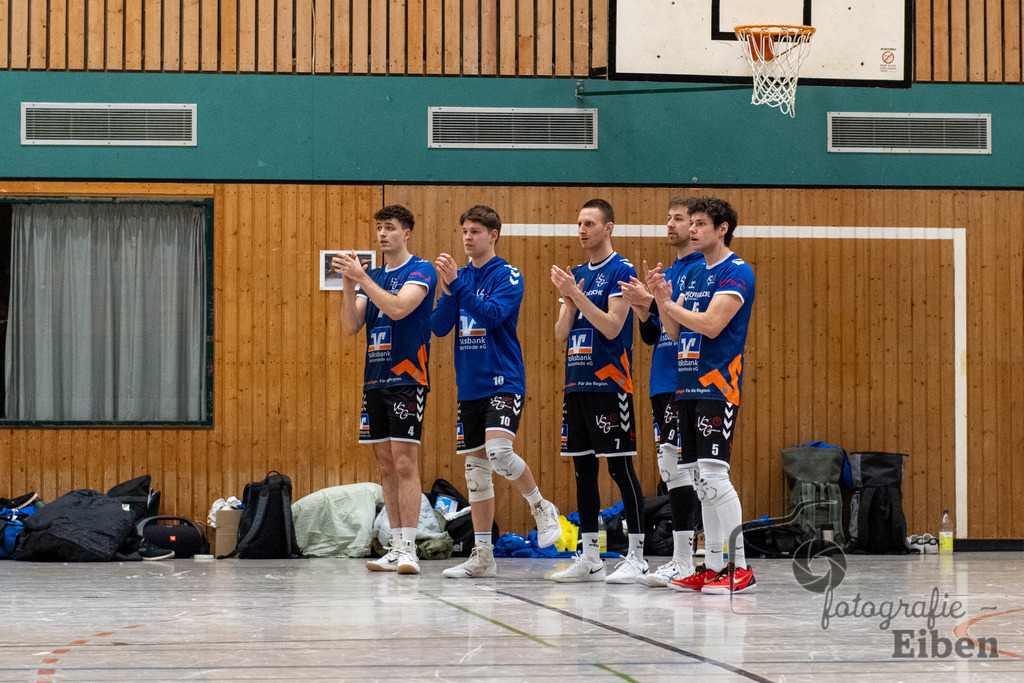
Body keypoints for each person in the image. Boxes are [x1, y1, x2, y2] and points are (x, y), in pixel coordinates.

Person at [431, 205, 562, 578]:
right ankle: (483, 554)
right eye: (464, 231)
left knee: (500, 452)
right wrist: (448, 291)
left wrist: (458, 287)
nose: (468, 237)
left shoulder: (508, 275)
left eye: (475, 231)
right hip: (469, 385)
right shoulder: (458, 278)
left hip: (503, 380)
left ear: (493, 235)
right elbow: (439, 328)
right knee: (476, 473)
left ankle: (540, 508)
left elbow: (490, 315)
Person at [648, 196, 757, 594]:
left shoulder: (736, 271)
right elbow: (675, 334)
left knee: (714, 476)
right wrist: (661, 299)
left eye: (698, 223)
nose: (691, 229)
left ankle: (740, 566)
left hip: (717, 387)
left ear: (721, 228)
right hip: (685, 386)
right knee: (697, 479)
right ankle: (712, 566)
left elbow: (711, 325)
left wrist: (667, 303)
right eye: (688, 223)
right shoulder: (692, 275)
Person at [549, 198, 647, 584]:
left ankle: (637, 555)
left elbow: (610, 326)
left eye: (589, 223)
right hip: (576, 383)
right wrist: (569, 295)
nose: (582, 230)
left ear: (608, 228)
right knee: (582, 470)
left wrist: (576, 294)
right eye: (578, 223)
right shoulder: (574, 274)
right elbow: (560, 333)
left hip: (610, 383)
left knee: (620, 467)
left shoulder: (622, 269)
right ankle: (590, 556)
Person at [335, 205, 437, 576]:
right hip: (375, 379)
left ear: (406, 232)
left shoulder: (420, 270)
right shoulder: (373, 276)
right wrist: (350, 286)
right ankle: (395, 545)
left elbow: (397, 308)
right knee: (385, 466)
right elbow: (351, 325)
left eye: (390, 228)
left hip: (407, 378)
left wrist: (364, 279)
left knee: (405, 462)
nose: (382, 234)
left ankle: (410, 547)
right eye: (379, 228)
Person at [619, 196, 704, 587]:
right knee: (669, 467)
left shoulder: (706, 269)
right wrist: (641, 307)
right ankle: (680, 559)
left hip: (693, 381)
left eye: (679, 219)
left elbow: (700, 325)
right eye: (668, 218)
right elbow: (654, 335)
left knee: (697, 470)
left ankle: (691, 559)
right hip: (661, 382)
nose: (670, 224)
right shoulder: (667, 272)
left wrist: (658, 300)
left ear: (697, 225)